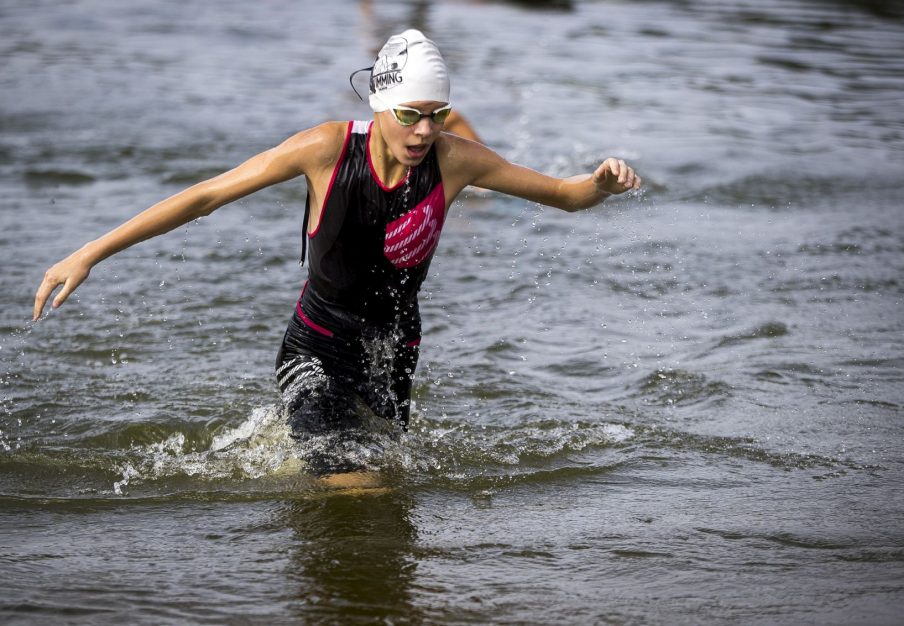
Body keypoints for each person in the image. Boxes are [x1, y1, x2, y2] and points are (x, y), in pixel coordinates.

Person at [32, 29, 640, 476]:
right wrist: (92, 250)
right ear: (379, 106)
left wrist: (600, 185)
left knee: (389, 485)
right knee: (363, 485)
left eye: (436, 115)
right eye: (410, 115)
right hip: (315, 346)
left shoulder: (456, 160)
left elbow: (564, 195)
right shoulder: (324, 149)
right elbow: (207, 196)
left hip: (394, 351)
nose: (424, 132)